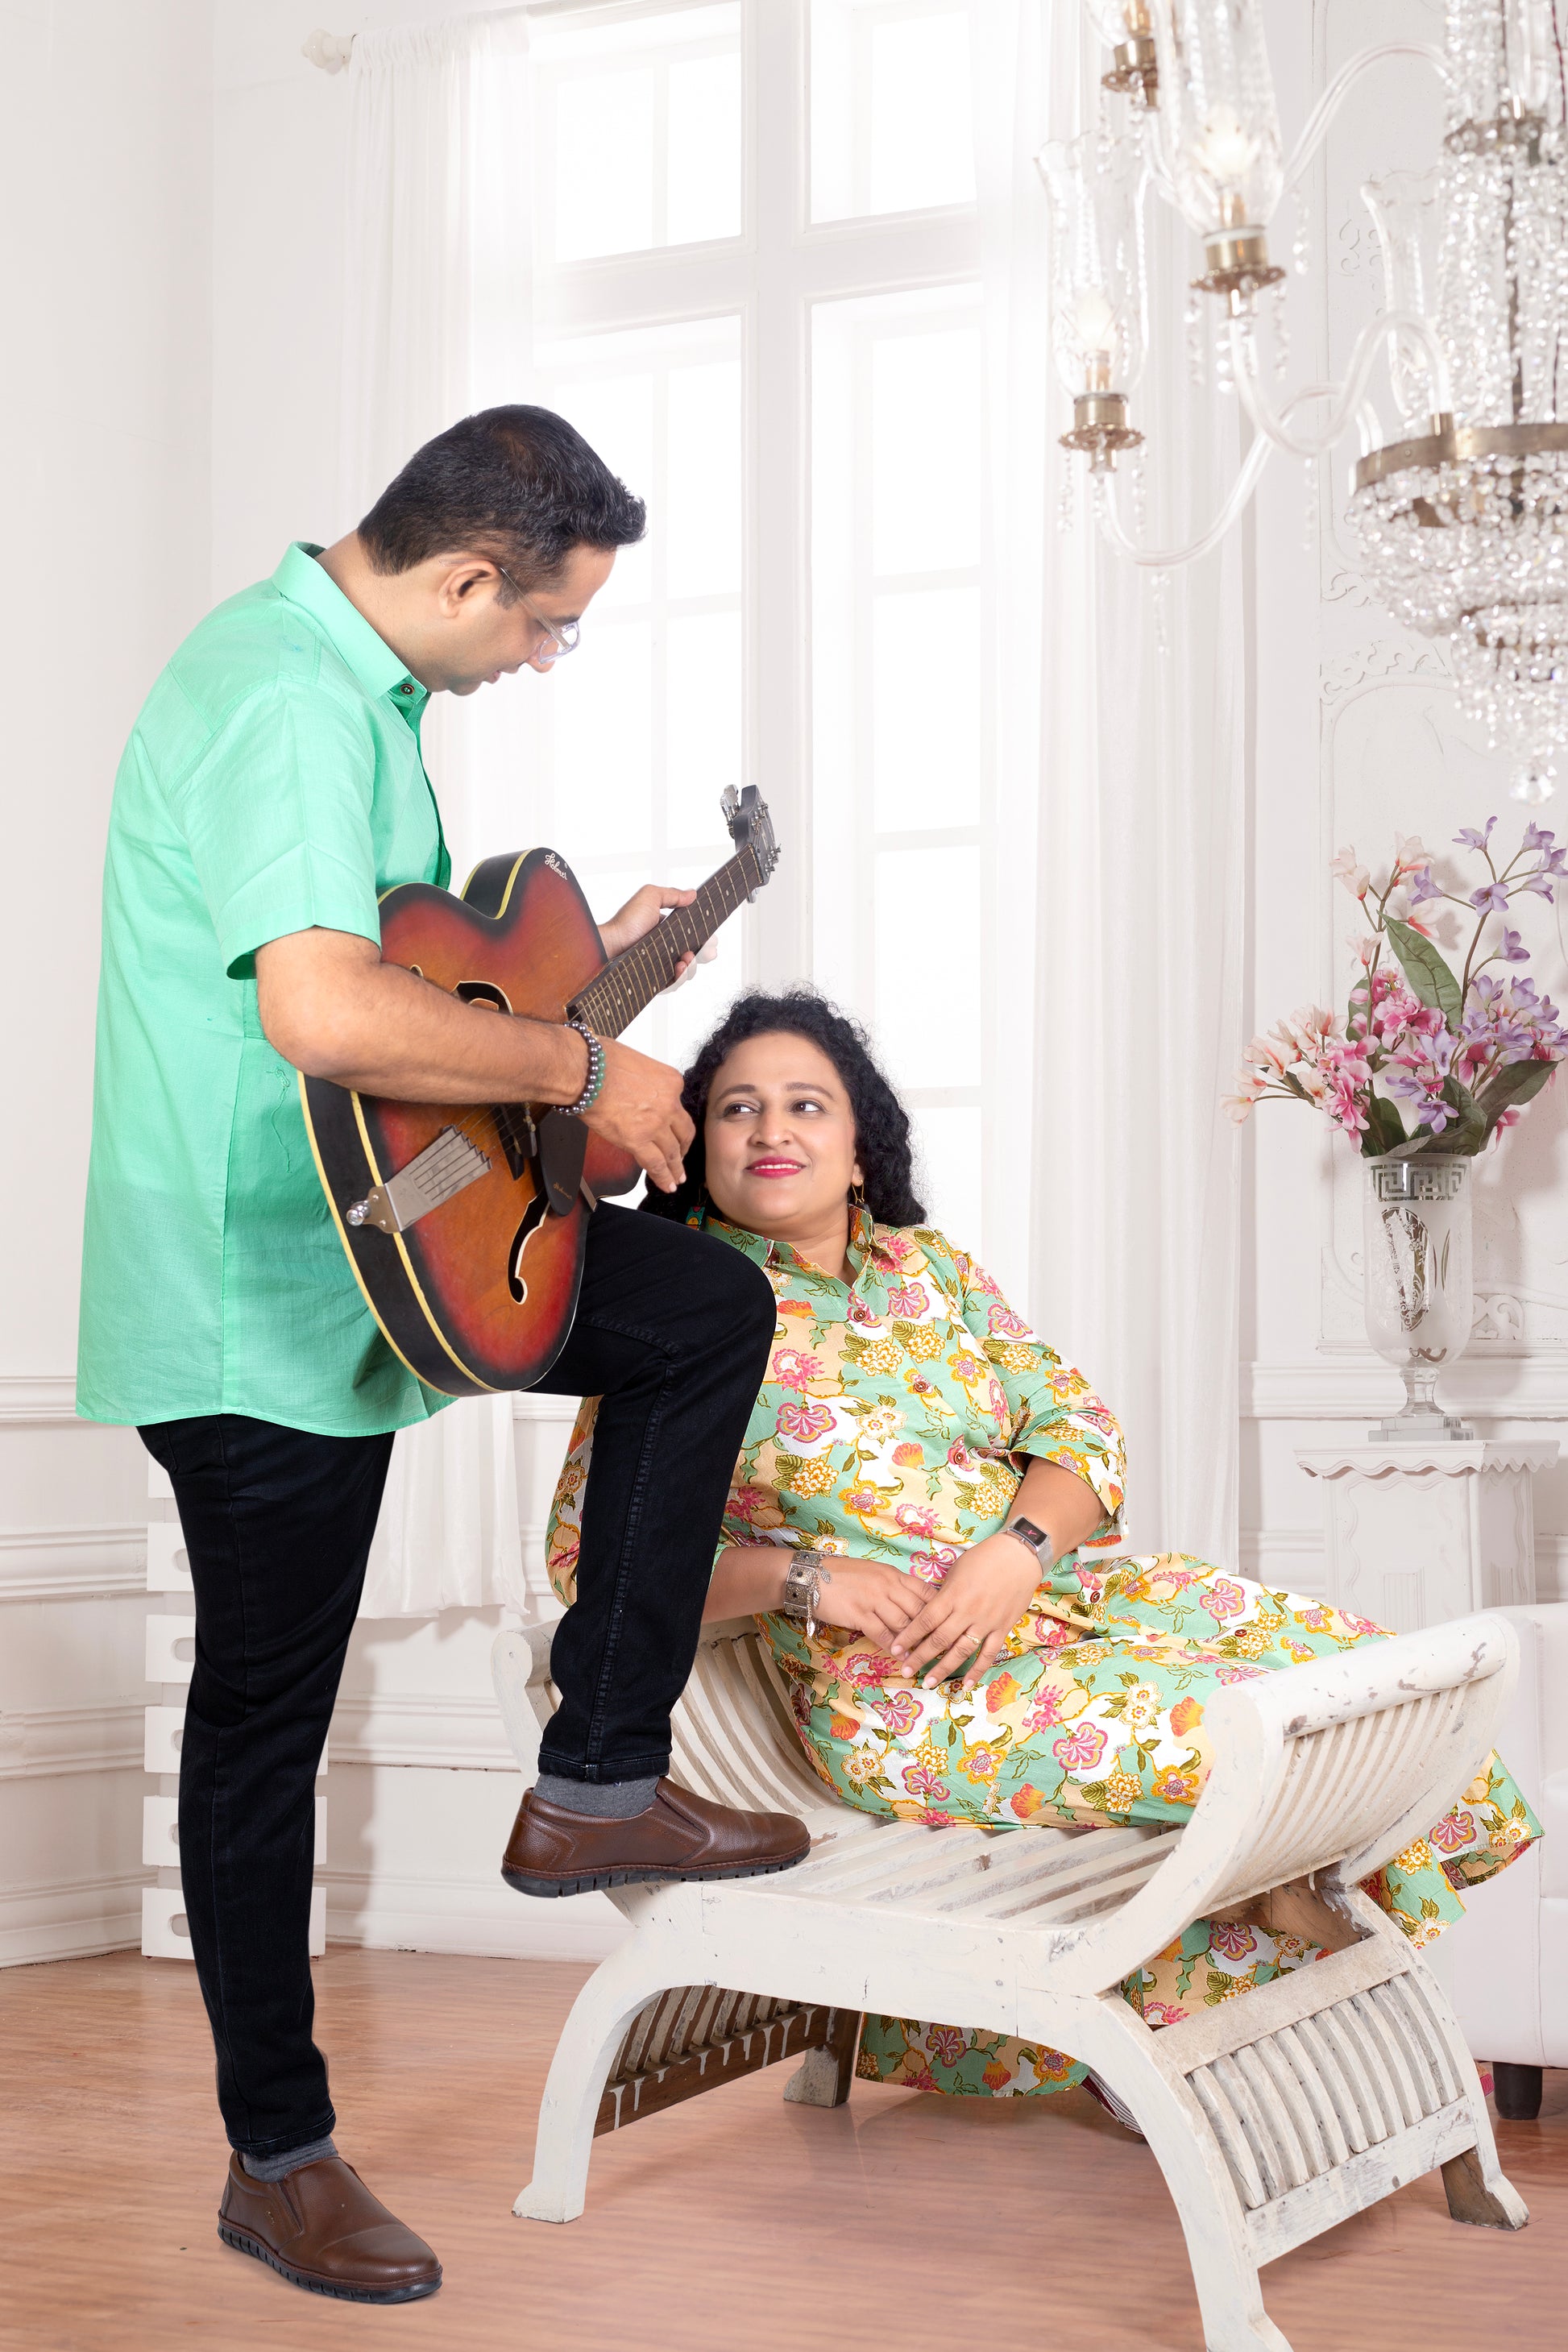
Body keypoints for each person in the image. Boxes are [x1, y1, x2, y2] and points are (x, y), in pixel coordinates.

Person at [77, 409, 805, 2304]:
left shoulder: (355, 699)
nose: (547, 656)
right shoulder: (287, 701)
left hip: (384, 1246)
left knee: (701, 1309)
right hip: (253, 1293)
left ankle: (597, 1774)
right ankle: (279, 2155)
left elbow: (400, 971)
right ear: (471, 574)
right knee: (266, 1718)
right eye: (548, 621)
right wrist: (586, 1060)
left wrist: (587, 972)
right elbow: (327, 1011)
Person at [545, 986, 1541, 2107]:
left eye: (805, 1104)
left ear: (861, 1152)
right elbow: (589, 1563)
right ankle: (1254, 2004)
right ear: (694, 1148)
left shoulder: (931, 1273)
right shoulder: (680, 1308)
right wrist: (804, 1578)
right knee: (1251, 1744)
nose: (771, 1129)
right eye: (737, 1108)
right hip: (910, 1688)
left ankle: (1272, 1950)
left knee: (1391, 1693)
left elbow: (1081, 1431)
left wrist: (1017, 1549)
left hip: (1086, 1601)